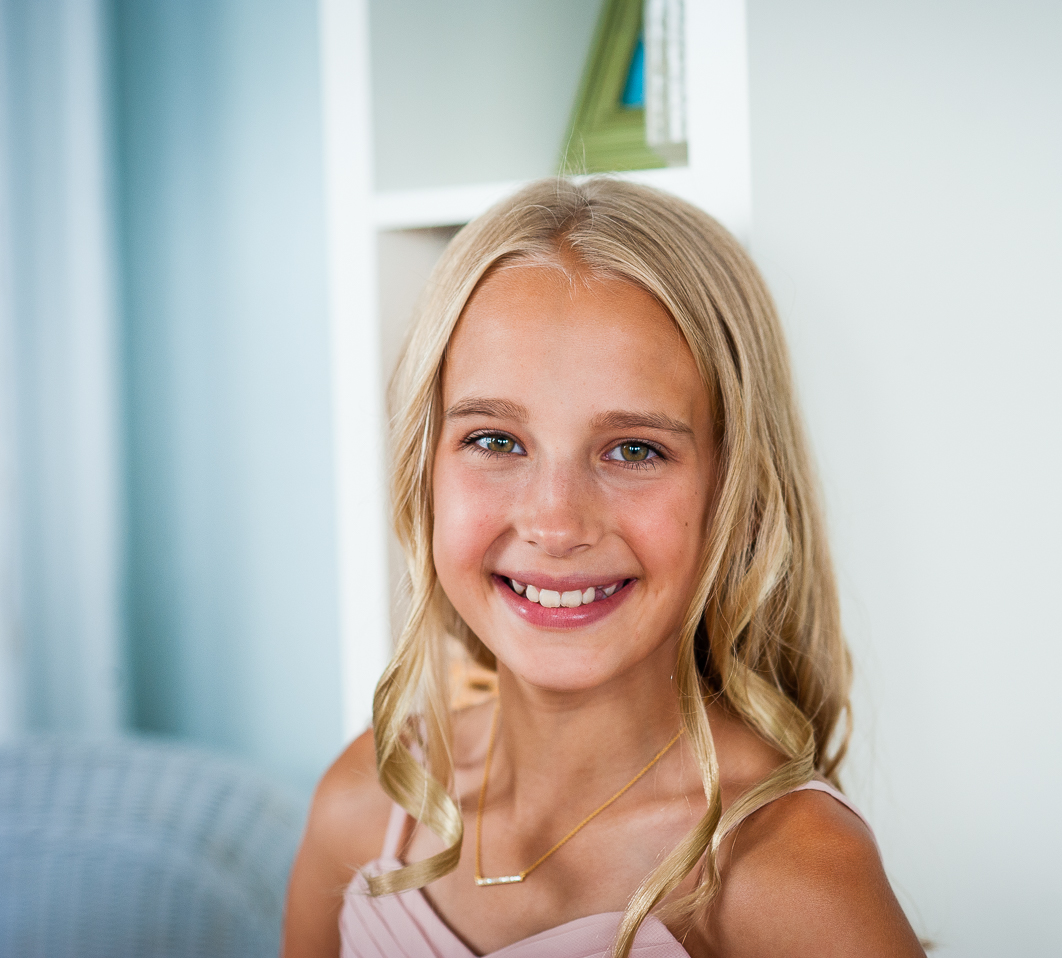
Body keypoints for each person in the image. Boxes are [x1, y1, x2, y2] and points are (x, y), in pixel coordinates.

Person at [281, 178, 925, 958]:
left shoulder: (792, 880)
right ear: (425, 469)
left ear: (739, 494)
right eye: (495, 441)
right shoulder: (368, 800)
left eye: (633, 450)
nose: (555, 524)